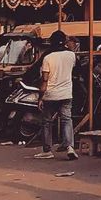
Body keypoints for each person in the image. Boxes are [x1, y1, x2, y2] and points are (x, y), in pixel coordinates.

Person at [35, 30, 78, 161]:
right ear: (65, 42)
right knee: (67, 120)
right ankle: (70, 147)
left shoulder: (48, 58)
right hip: (66, 94)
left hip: (51, 95)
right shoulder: (71, 56)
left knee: (47, 122)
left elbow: (45, 80)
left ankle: (47, 150)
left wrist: (40, 97)